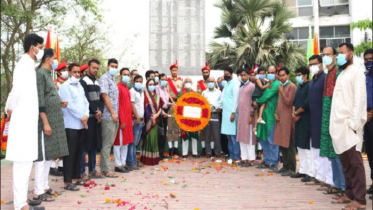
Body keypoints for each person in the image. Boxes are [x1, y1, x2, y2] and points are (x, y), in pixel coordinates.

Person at [5, 33, 45, 210]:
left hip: (28, 120)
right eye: (41, 47)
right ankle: (20, 206)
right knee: (22, 163)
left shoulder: (29, 65)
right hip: (22, 120)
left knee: (27, 162)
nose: (41, 51)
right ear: (33, 47)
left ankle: (23, 202)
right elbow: (16, 91)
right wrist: (9, 108)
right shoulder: (23, 65)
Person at [330, 43, 367, 209]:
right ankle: (349, 194)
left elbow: (359, 99)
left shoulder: (357, 72)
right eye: (337, 53)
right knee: (346, 163)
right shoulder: (341, 74)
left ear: (350, 54)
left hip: (350, 125)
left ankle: (360, 200)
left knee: (355, 163)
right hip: (339, 126)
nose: (338, 56)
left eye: (341, 53)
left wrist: (354, 123)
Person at [34, 48, 69, 202]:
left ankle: (45, 186)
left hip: (54, 120)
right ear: (48, 59)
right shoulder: (40, 74)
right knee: (42, 157)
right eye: (54, 58)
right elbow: (40, 101)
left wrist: (58, 102)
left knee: (50, 155)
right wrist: (46, 123)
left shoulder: (49, 74)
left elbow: (49, 97)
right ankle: (38, 191)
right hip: (45, 123)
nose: (55, 61)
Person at [319, 46, 346, 199]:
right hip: (326, 116)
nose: (326, 57)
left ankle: (344, 186)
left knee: (337, 153)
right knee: (330, 152)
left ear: (335, 56)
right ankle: (337, 184)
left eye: (328, 55)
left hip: (336, 115)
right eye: (324, 55)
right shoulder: (327, 73)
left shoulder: (339, 73)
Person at [59, 63, 89, 191]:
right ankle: (67, 181)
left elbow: (85, 102)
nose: (77, 74)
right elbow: (69, 105)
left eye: (79, 72)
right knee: (70, 153)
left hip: (82, 124)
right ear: (70, 73)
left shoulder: (80, 86)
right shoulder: (65, 86)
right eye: (75, 72)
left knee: (78, 152)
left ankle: (76, 178)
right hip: (71, 124)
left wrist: (86, 115)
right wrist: (81, 117)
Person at [307, 55, 333, 188]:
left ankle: (328, 178)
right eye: (310, 64)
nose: (313, 67)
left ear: (321, 64)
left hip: (323, 118)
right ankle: (319, 176)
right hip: (313, 119)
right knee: (315, 148)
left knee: (324, 149)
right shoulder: (312, 80)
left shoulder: (325, 79)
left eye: (315, 64)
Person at [80, 59, 104, 179]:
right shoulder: (83, 81)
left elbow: (101, 99)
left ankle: (92, 169)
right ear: (88, 67)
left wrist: (100, 111)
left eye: (97, 68)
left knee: (94, 144)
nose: (95, 70)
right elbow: (85, 99)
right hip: (87, 117)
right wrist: (95, 111)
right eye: (93, 67)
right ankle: (82, 171)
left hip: (97, 117)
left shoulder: (97, 82)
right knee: (85, 145)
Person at [291, 66, 315, 181]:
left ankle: (310, 173)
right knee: (300, 145)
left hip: (306, 119)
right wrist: (293, 113)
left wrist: (296, 113)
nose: (297, 77)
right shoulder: (299, 87)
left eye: (299, 75)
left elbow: (306, 103)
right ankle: (302, 170)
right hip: (298, 120)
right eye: (296, 75)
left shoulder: (309, 86)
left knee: (307, 147)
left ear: (305, 75)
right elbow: (294, 102)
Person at [255, 66, 281, 170]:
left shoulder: (277, 84)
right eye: (269, 72)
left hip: (271, 116)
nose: (270, 74)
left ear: (276, 74)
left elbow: (266, 97)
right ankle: (267, 160)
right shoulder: (268, 84)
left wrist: (256, 101)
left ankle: (274, 162)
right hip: (263, 115)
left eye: (272, 72)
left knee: (271, 139)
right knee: (262, 139)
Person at [273, 67, 297, 176]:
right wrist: (276, 113)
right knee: (282, 144)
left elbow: (289, 102)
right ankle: (285, 166)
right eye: (280, 75)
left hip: (288, 119)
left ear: (288, 75)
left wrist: (282, 92)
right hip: (280, 119)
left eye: (283, 75)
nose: (281, 77)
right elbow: (279, 103)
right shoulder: (281, 86)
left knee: (289, 144)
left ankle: (291, 168)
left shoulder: (291, 87)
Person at [98, 58, 119, 178]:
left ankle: (105, 168)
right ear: (107, 66)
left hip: (114, 116)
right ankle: (105, 169)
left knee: (109, 143)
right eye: (112, 66)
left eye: (116, 66)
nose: (114, 68)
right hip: (108, 115)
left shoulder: (113, 79)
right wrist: (112, 113)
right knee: (106, 144)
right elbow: (105, 96)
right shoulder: (104, 78)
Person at [113, 68, 134, 173]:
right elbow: (118, 106)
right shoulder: (118, 87)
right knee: (119, 143)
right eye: (124, 74)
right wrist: (121, 121)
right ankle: (117, 165)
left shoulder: (126, 88)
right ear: (120, 76)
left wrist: (130, 118)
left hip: (128, 119)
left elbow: (128, 106)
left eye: (127, 74)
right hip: (122, 121)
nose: (126, 76)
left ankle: (123, 163)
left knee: (126, 142)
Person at [50, 61, 68, 177]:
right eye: (64, 69)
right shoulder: (55, 84)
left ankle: (61, 165)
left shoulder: (67, 83)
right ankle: (52, 166)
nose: (66, 72)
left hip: (66, 117)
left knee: (63, 142)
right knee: (55, 142)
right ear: (59, 72)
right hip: (57, 116)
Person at [140, 79, 164, 165]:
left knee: (154, 138)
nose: (151, 86)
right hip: (147, 121)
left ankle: (154, 159)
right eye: (149, 84)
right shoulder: (145, 95)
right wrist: (152, 118)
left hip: (155, 120)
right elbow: (144, 108)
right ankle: (147, 159)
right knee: (148, 138)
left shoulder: (157, 96)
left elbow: (160, 108)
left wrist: (156, 116)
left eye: (153, 84)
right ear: (146, 85)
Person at [236, 69, 256, 166]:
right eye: (241, 75)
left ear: (248, 75)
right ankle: (244, 158)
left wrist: (251, 115)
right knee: (241, 138)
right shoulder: (241, 87)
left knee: (249, 138)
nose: (243, 77)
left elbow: (254, 102)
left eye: (244, 75)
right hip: (241, 116)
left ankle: (251, 159)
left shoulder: (252, 86)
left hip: (248, 115)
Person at [221, 67, 240, 164]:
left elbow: (236, 99)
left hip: (232, 113)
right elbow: (222, 98)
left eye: (227, 73)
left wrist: (233, 112)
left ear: (231, 74)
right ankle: (231, 155)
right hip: (225, 114)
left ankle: (236, 156)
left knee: (233, 137)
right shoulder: (226, 84)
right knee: (228, 137)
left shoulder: (235, 84)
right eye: (225, 73)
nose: (226, 75)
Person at [202, 76, 223, 160]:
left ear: (214, 82)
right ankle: (208, 152)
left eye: (212, 81)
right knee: (207, 134)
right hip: (206, 115)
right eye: (209, 81)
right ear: (207, 83)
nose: (210, 83)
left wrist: (217, 107)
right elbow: (202, 103)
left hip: (215, 114)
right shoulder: (204, 92)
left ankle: (217, 152)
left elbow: (221, 102)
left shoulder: (219, 92)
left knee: (216, 134)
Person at [127, 75, 145, 170]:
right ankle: (131, 162)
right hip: (135, 119)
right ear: (134, 82)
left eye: (140, 81)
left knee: (136, 142)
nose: (139, 83)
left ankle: (134, 161)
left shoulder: (141, 91)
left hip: (141, 119)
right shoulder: (132, 91)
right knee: (132, 142)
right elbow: (132, 105)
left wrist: (143, 119)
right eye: (137, 81)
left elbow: (141, 106)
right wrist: (137, 117)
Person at [180, 77, 200, 158]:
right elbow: (178, 103)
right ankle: (184, 153)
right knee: (185, 134)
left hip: (193, 117)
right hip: (184, 117)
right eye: (186, 81)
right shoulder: (180, 93)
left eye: (189, 82)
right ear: (184, 83)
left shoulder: (195, 93)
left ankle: (194, 152)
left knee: (194, 134)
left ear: (192, 84)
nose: (188, 83)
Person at [166, 60, 182, 157]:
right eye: (173, 70)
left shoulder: (181, 81)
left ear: (178, 71)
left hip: (179, 105)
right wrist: (172, 102)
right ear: (171, 72)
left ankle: (176, 148)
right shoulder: (168, 82)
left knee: (177, 126)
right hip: (170, 105)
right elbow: (167, 93)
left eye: (176, 70)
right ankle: (170, 147)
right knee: (170, 126)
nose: (174, 72)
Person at [197, 62, 213, 156]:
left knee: (211, 131)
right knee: (202, 130)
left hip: (211, 109)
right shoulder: (199, 84)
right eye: (204, 72)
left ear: (209, 73)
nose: (205, 74)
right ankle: (203, 149)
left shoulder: (212, 83)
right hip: (202, 110)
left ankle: (211, 149)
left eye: (207, 72)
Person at [363, 49, 373, 195]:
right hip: (367, 118)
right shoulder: (365, 76)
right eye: (366, 59)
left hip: (370, 114)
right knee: (370, 152)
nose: (368, 62)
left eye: (371, 59)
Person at [155, 73, 171, 160]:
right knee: (160, 133)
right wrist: (161, 113)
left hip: (166, 111)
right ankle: (158, 153)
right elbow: (157, 102)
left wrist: (170, 105)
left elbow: (166, 101)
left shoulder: (166, 89)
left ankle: (161, 153)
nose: (164, 81)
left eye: (165, 80)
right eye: (162, 80)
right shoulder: (156, 88)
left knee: (164, 133)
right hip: (159, 112)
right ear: (159, 80)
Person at [252, 66, 268, 135]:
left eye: (263, 73)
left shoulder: (263, 79)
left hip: (259, 96)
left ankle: (255, 128)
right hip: (256, 96)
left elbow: (267, 81)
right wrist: (269, 84)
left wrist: (268, 81)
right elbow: (262, 87)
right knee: (263, 104)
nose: (262, 74)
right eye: (261, 73)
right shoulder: (258, 80)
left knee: (257, 113)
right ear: (258, 74)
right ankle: (260, 118)